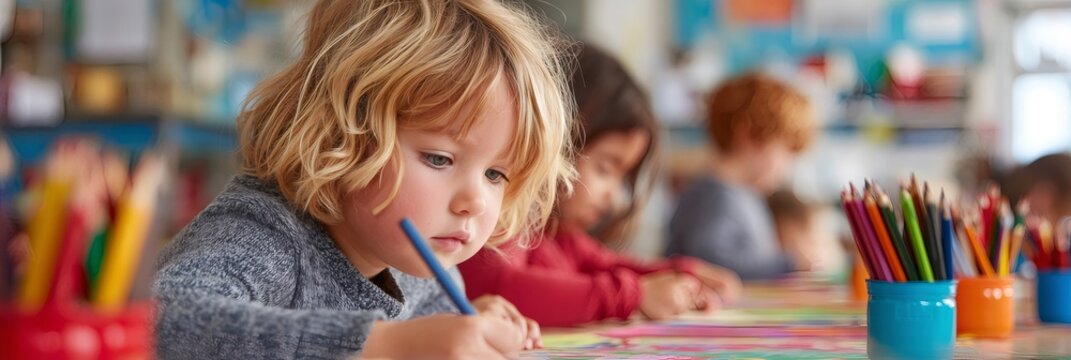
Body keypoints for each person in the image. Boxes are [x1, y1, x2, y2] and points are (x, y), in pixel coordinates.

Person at [153, 1, 574, 358]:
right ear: (339, 133)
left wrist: (467, 330)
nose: (476, 202)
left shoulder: (416, 269)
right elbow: (167, 322)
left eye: (495, 174)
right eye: (440, 159)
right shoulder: (263, 234)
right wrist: (386, 344)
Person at [459, 44, 741, 327]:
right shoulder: (502, 218)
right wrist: (633, 296)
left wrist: (680, 274)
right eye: (605, 168)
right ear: (557, 141)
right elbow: (503, 288)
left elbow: (603, 264)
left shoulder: (556, 235)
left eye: (623, 178)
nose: (614, 196)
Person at [665, 73, 817, 280]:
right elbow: (711, 262)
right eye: (785, 150)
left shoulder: (744, 194)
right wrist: (789, 262)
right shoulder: (715, 196)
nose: (787, 165)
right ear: (747, 135)